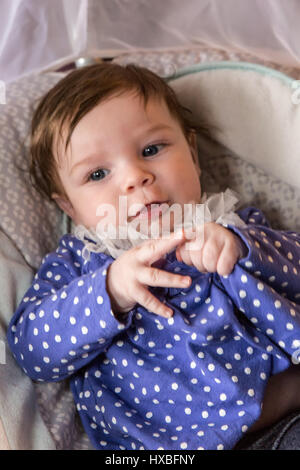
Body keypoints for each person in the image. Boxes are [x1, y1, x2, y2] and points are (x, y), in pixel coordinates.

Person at [7, 63, 300, 450]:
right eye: (98, 174)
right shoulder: (81, 264)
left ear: (192, 155)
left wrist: (243, 249)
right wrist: (110, 290)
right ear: (70, 208)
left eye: (151, 149)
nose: (135, 176)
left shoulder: (230, 225)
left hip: (276, 427)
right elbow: (32, 351)